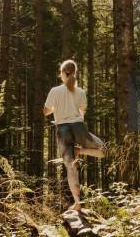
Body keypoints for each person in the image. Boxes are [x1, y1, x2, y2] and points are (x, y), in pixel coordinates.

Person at [42, 59, 105, 212]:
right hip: (78, 127)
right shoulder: (81, 92)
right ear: (75, 74)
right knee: (102, 150)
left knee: (71, 168)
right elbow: (81, 114)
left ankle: (77, 202)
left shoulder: (54, 91)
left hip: (62, 129)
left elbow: (45, 111)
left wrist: (56, 109)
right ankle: (81, 151)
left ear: (63, 73)